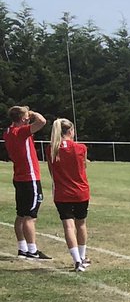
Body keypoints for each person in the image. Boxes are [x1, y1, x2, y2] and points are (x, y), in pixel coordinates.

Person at [5, 105, 52, 261]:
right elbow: (42, 121)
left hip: (19, 177)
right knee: (30, 216)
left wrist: (24, 116)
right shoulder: (21, 132)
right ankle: (32, 250)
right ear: (22, 118)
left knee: (21, 214)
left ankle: (22, 248)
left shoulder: (8, 132)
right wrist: (32, 114)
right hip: (29, 177)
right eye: (25, 116)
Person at [48, 118, 92, 271]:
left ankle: (77, 260)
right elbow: (83, 167)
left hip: (62, 192)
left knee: (68, 226)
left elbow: (51, 173)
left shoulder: (52, 149)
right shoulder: (81, 148)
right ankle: (82, 256)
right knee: (81, 223)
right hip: (80, 191)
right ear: (70, 131)